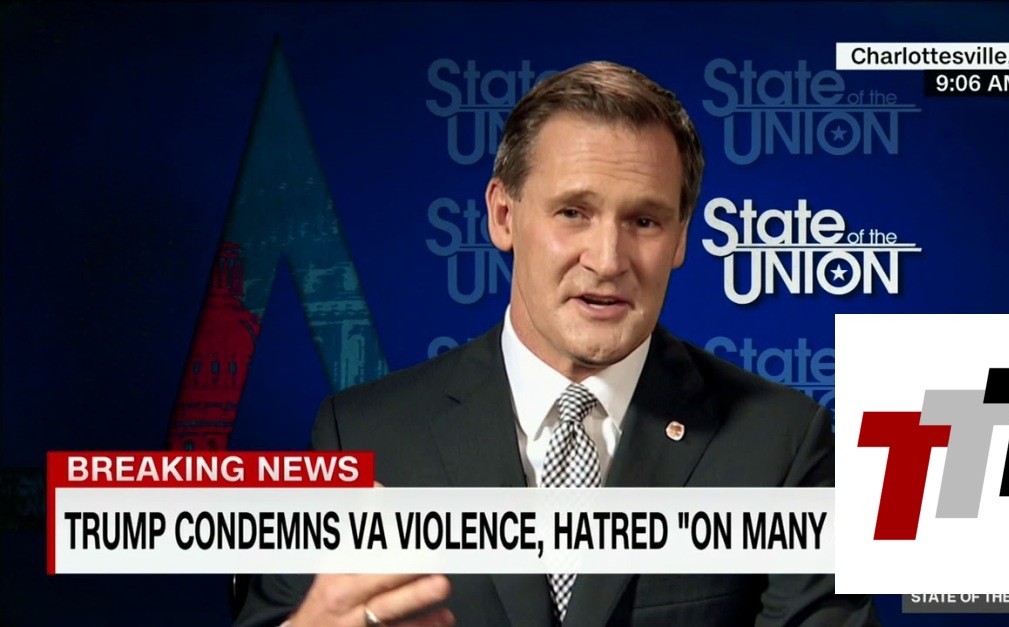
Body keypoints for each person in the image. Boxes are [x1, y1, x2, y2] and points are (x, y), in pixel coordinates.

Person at [234, 60, 881, 627]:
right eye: (573, 212)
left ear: (681, 237)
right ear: (503, 215)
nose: (608, 259)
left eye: (645, 220)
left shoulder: (783, 443)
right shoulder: (361, 435)